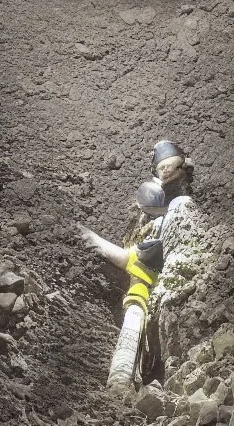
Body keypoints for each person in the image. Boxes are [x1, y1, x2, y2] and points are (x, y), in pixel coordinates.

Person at [78, 140, 193, 387]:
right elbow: (142, 252)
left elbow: (150, 255)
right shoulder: (152, 210)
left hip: (160, 291)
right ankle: (123, 389)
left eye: (171, 165)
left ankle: (128, 387)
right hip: (141, 288)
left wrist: (103, 246)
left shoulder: (182, 209)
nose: (166, 171)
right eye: (161, 166)